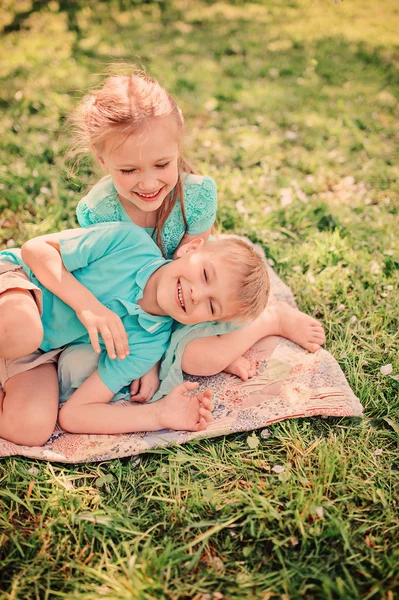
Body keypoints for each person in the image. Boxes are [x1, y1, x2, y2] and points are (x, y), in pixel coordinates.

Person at [60, 66, 325, 403]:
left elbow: (195, 264)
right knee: (97, 353)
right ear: (102, 160)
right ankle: (236, 339)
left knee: (201, 355)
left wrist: (154, 359)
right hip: (142, 307)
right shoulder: (99, 211)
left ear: (177, 146)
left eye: (161, 165)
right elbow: (107, 283)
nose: (148, 183)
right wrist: (146, 355)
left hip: (193, 294)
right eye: (129, 170)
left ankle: (269, 319)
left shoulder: (196, 198)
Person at [0, 222, 269, 446]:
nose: (196, 294)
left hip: (39, 352)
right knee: (23, 331)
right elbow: (35, 250)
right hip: (19, 287)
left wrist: (158, 415)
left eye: (211, 306)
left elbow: (75, 414)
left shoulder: (149, 344)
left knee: (30, 428)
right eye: (205, 275)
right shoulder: (130, 242)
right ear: (191, 248)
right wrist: (88, 307)